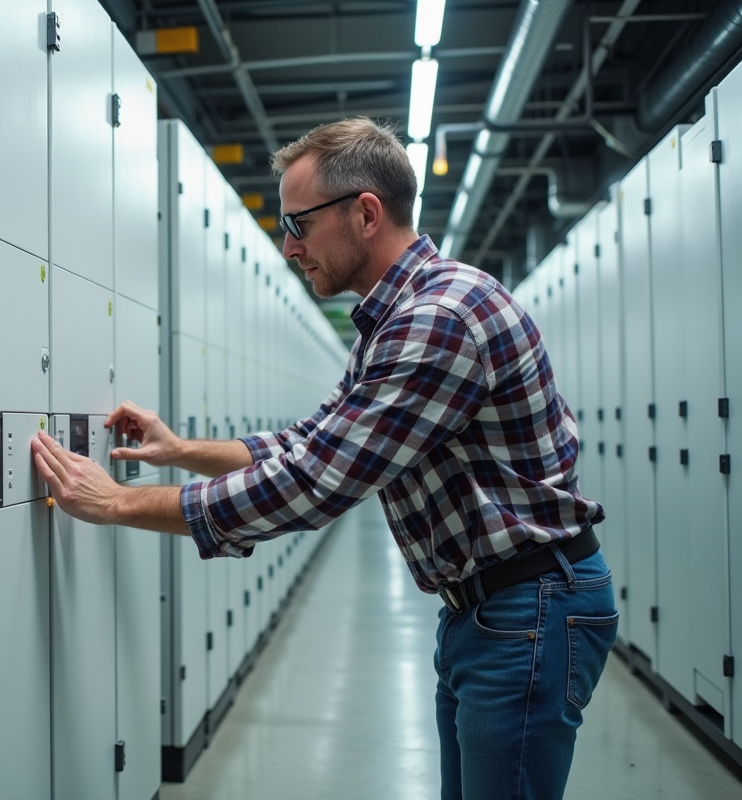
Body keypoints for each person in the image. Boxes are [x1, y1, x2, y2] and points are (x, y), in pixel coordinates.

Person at [30, 117, 616, 800]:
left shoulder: (438, 319)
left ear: (365, 213)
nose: (287, 247)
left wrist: (119, 503)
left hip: (526, 609)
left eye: (298, 225)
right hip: (492, 607)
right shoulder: (395, 319)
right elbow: (310, 442)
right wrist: (181, 449)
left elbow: (313, 483)